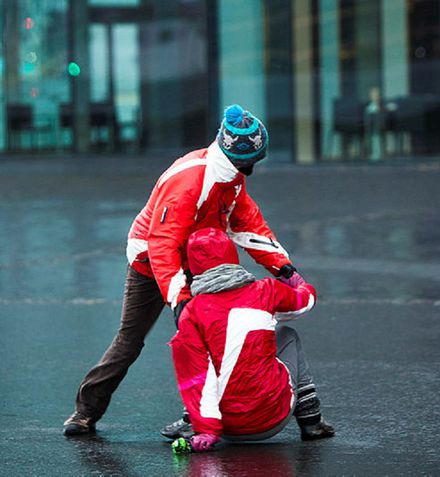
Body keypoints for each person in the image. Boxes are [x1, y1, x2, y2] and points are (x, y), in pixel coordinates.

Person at [64, 105, 298, 436]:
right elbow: (162, 244)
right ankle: (84, 412)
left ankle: (197, 419)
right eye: (249, 163)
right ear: (234, 156)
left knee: (216, 339)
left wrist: (284, 267)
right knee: (130, 341)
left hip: (203, 260)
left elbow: (246, 222)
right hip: (151, 260)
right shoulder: (190, 181)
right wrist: (180, 298)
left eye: (256, 161)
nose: (252, 169)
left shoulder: (230, 176)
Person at [170, 228, 334, 453]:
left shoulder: (193, 313)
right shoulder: (266, 290)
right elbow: (304, 303)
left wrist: (207, 429)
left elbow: (196, 377)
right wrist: (300, 283)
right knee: (287, 335)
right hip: (272, 418)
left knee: (199, 361)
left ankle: (191, 422)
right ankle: (311, 420)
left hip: (224, 428)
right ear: (231, 255)